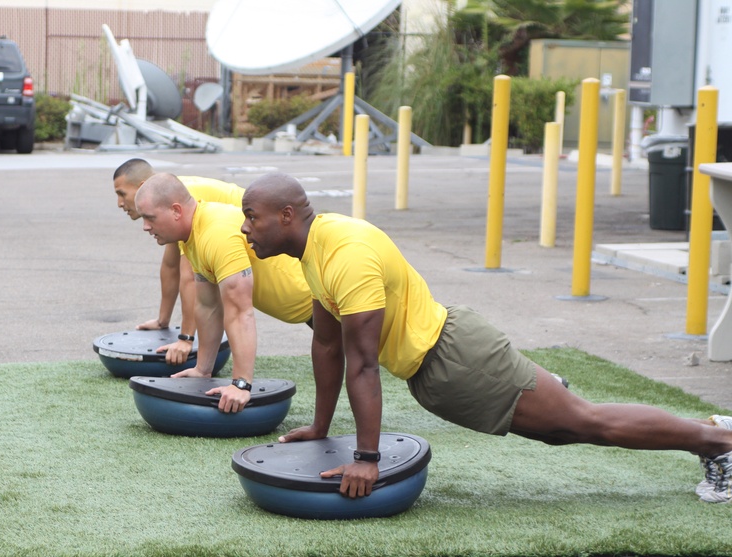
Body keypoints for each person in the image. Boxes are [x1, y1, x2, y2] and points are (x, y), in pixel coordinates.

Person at [239, 172, 732, 504]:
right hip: (438, 370)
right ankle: (707, 431)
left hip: (458, 360)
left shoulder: (345, 253)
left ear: (285, 216)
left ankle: (718, 442)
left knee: (585, 422)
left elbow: (363, 363)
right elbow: (327, 345)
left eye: (252, 217)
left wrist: (366, 460)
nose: (244, 229)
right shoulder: (313, 253)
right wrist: (321, 427)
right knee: (564, 430)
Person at [134, 173, 312, 414]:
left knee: (371, 363)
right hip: (312, 309)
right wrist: (202, 370)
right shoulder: (192, 236)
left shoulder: (215, 234)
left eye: (149, 218)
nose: (145, 226)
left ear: (176, 211)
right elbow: (209, 306)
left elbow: (240, 312)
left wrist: (241, 383)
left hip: (325, 303)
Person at [113, 158, 244, 365]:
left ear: (141, 187)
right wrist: (162, 320)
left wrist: (186, 339)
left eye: (122, 194)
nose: (120, 203)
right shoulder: (166, 195)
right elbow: (171, 265)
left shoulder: (178, 197)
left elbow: (190, 277)